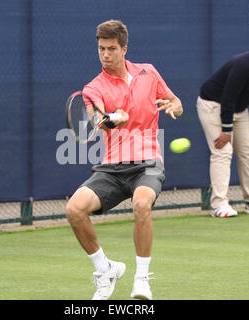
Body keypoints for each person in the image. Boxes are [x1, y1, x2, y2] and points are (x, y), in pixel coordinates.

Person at [65, 20, 182, 300]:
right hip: (112, 168)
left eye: (111, 49)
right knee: (74, 209)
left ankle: (142, 280)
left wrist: (174, 105)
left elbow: (175, 100)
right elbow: (98, 121)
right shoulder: (93, 87)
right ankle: (105, 270)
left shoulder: (148, 72)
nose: (105, 54)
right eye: (101, 49)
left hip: (147, 162)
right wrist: (112, 119)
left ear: (124, 49)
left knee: (141, 204)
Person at [197, 29, 249, 218]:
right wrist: (227, 130)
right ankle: (219, 205)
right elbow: (228, 97)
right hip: (213, 105)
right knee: (222, 151)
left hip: (238, 109)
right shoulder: (243, 65)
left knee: (248, 151)